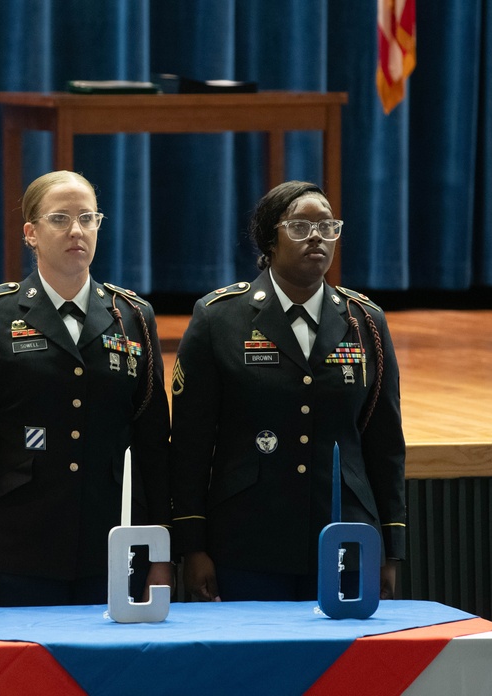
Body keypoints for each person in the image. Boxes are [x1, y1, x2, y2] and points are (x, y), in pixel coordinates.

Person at [0, 170, 172, 608]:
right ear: (31, 232)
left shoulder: (135, 316)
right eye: (60, 219)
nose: (77, 231)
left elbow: (153, 443)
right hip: (16, 544)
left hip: (113, 546)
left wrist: (161, 554)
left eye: (88, 218)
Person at [170, 180, 406, 602]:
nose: (316, 236)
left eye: (327, 226)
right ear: (269, 238)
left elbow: (384, 442)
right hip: (248, 540)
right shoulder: (219, 318)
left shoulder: (365, 321)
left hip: (346, 535)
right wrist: (193, 546)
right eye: (299, 226)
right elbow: (190, 444)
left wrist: (391, 548)